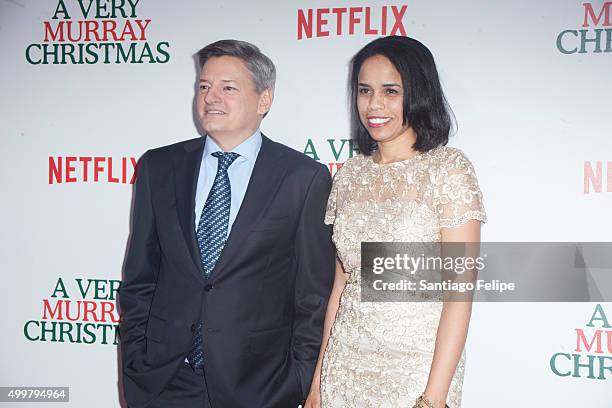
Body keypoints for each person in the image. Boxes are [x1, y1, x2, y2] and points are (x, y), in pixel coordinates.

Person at [119, 39, 335, 408]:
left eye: (227, 88)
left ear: (264, 100)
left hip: (258, 387)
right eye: (204, 87)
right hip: (164, 382)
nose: (210, 97)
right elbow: (140, 278)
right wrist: (136, 365)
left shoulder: (303, 178)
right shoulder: (159, 167)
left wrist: (298, 379)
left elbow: (312, 295)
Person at [305, 36, 487, 408]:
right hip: (344, 365)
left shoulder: (448, 171)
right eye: (364, 90)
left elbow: (458, 296)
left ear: (418, 93)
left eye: (391, 91)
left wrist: (433, 399)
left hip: (414, 373)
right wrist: (318, 381)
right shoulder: (350, 175)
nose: (374, 104)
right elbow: (340, 288)